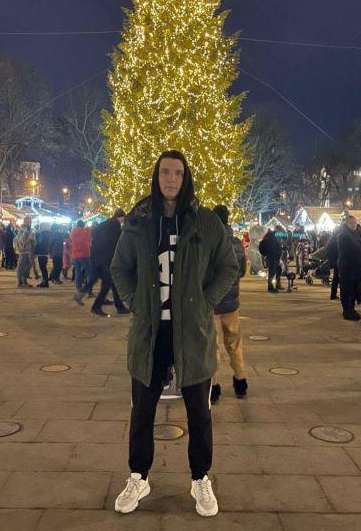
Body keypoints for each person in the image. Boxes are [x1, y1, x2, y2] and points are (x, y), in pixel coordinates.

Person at [111, 150, 238, 518]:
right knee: (142, 411)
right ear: (156, 176)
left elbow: (229, 266)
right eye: (165, 172)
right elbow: (119, 267)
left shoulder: (205, 221)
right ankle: (138, 476)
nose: (171, 179)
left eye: (178, 173)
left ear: (186, 178)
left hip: (192, 332)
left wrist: (205, 302)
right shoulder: (139, 221)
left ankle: (200, 478)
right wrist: (135, 301)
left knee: (199, 412)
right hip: (151, 333)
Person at [210, 204, 247, 404]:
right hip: (231, 302)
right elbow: (242, 271)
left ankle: (213, 387)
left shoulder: (209, 242)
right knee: (234, 343)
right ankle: (241, 381)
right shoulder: (236, 243)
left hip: (212, 304)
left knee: (212, 345)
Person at [90, 209, 129, 317]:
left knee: (113, 283)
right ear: (120, 217)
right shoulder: (114, 227)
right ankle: (96, 307)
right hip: (107, 260)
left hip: (99, 258)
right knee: (107, 283)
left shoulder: (104, 224)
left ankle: (119, 306)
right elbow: (117, 243)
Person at [337, 216, 361, 321]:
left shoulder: (355, 234)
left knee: (353, 289)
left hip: (355, 267)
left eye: (355, 223)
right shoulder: (343, 235)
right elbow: (346, 251)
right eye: (351, 223)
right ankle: (347, 311)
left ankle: (351, 309)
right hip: (347, 266)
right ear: (347, 223)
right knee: (347, 289)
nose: (354, 225)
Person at [68, 219, 93, 304]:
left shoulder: (72, 232)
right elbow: (90, 234)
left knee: (78, 273)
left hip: (75, 255)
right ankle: (89, 291)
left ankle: (79, 290)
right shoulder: (86, 231)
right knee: (90, 273)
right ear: (83, 225)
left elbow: (70, 241)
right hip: (85, 255)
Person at [259, 227, 282, 292]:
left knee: (278, 269)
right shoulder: (270, 238)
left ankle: (277, 284)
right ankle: (270, 287)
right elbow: (272, 247)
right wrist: (269, 253)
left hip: (274, 257)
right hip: (272, 257)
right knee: (272, 272)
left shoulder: (271, 237)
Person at [14, 217, 36, 288]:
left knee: (27, 267)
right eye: (29, 221)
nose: (31, 223)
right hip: (23, 251)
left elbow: (33, 241)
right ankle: (20, 282)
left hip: (29, 251)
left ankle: (24, 281)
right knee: (21, 266)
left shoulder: (29, 230)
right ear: (25, 221)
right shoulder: (23, 230)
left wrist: (33, 239)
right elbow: (22, 240)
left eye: (31, 221)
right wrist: (29, 237)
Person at [34, 224, 51, 288]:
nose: (39, 228)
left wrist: (36, 237)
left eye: (40, 227)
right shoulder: (48, 234)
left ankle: (45, 282)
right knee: (44, 268)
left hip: (41, 252)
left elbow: (39, 242)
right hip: (45, 252)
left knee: (42, 268)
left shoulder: (42, 234)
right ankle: (45, 281)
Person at [326, 228, 340, 299]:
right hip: (338, 261)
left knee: (336, 278)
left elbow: (328, 251)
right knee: (338, 278)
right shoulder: (337, 240)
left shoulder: (332, 240)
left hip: (334, 261)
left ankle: (333, 294)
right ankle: (334, 294)